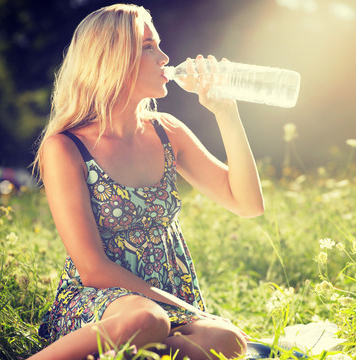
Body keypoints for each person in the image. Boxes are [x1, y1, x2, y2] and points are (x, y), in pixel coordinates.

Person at [30, 3, 264, 360]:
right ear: (112, 59)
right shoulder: (66, 147)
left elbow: (248, 204)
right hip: (104, 303)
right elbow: (93, 270)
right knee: (146, 319)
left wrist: (226, 112)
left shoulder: (167, 132)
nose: (164, 57)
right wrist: (195, 313)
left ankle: (133, 353)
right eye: (148, 47)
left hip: (169, 300)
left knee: (226, 342)